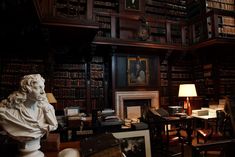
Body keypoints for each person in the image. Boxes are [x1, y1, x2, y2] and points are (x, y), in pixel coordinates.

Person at [0, 74, 58, 157]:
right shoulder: (9, 113)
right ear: (27, 90)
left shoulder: (46, 109)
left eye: (43, 87)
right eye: (38, 88)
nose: (43, 92)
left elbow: (54, 125)